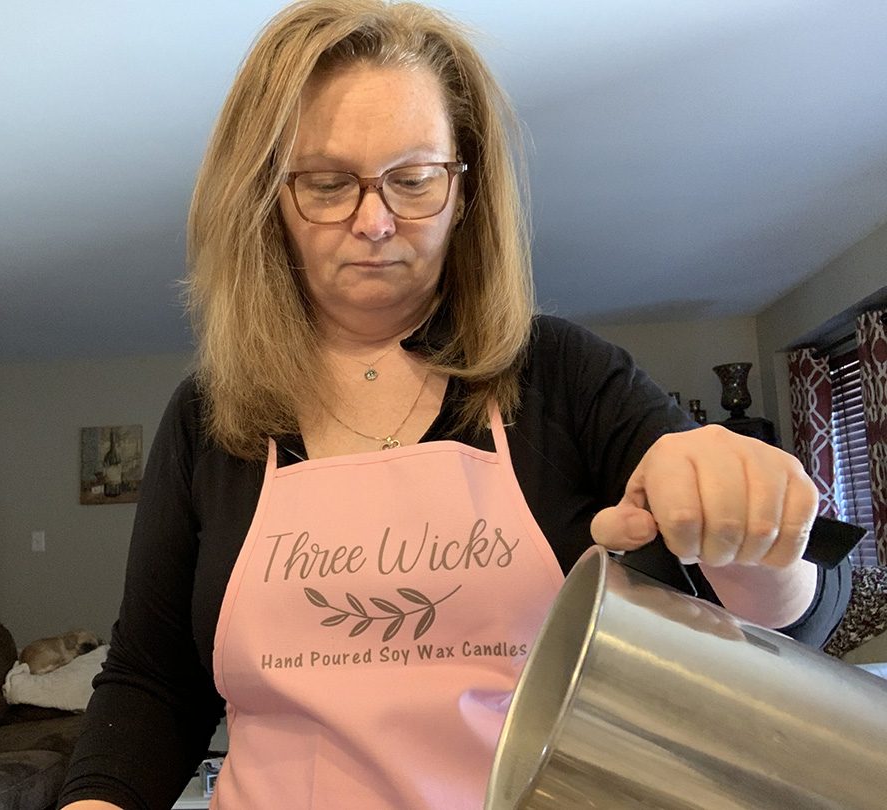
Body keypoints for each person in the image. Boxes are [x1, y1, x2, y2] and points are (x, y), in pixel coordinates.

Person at [58, 2, 849, 808]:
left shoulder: (562, 376)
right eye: (328, 184)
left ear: (466, 190)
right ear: (267, 199)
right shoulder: (208, 416)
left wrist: (753, 535)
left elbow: (786, 632)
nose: (374, 221)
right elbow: (152, 684)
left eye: (413, 180)